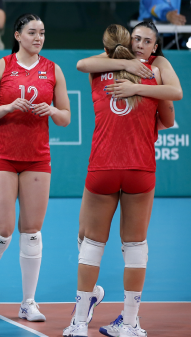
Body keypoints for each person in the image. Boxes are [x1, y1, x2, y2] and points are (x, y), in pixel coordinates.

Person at [63, 24, 180, 337]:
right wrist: (137, 77)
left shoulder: (100, 71)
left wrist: (133, 83)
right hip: (140, 170)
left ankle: (79, 324)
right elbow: (168, 118)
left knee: (90, 244)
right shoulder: (154, 73)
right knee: (135, 246)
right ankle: (130, 323)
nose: (140, 44)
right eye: (137, 39)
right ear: (130, 42)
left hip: (103, 168)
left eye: (146, 40)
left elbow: (83, 64)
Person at [0, 13, 71, 322]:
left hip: (37, 158)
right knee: (3, 230)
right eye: (32, 32)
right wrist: (8, 107)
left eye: (42, 32)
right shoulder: (0, 67)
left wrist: (54, 109)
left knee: (31, 231)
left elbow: (66, 117)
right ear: (17, 35)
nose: (38, 38)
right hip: (2, 156)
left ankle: (28, 302)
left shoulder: (53, 70)